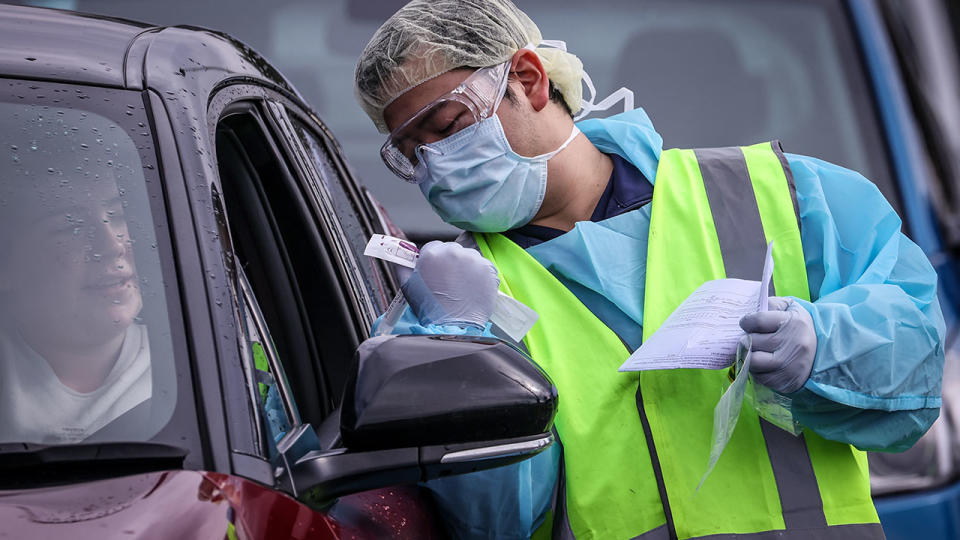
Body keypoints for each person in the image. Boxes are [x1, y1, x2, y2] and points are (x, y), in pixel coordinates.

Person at [353, 1, 946, 538]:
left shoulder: (783, 193)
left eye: (449, 125)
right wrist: (458, 359)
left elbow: (918, 364)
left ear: (529, 80)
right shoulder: (440, 311)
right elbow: (492, 523)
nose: (435, 163)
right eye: (410, 152)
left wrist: (825, 345)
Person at [0, 105, 150, 444]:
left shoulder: (198, 380)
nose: (112, 245)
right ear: (5, 266)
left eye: (118, 214)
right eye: (71, 225)